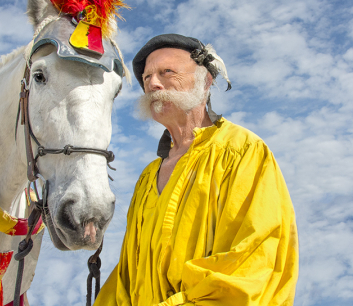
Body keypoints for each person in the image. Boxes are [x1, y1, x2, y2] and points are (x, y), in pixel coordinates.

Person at [94, 34, 299, 306]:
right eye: (146, 78)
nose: (153, 83)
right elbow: (126, 277)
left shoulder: (242, 150)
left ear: (205, 81)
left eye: (167, 72)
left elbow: (255, 260)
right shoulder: (146, 178)